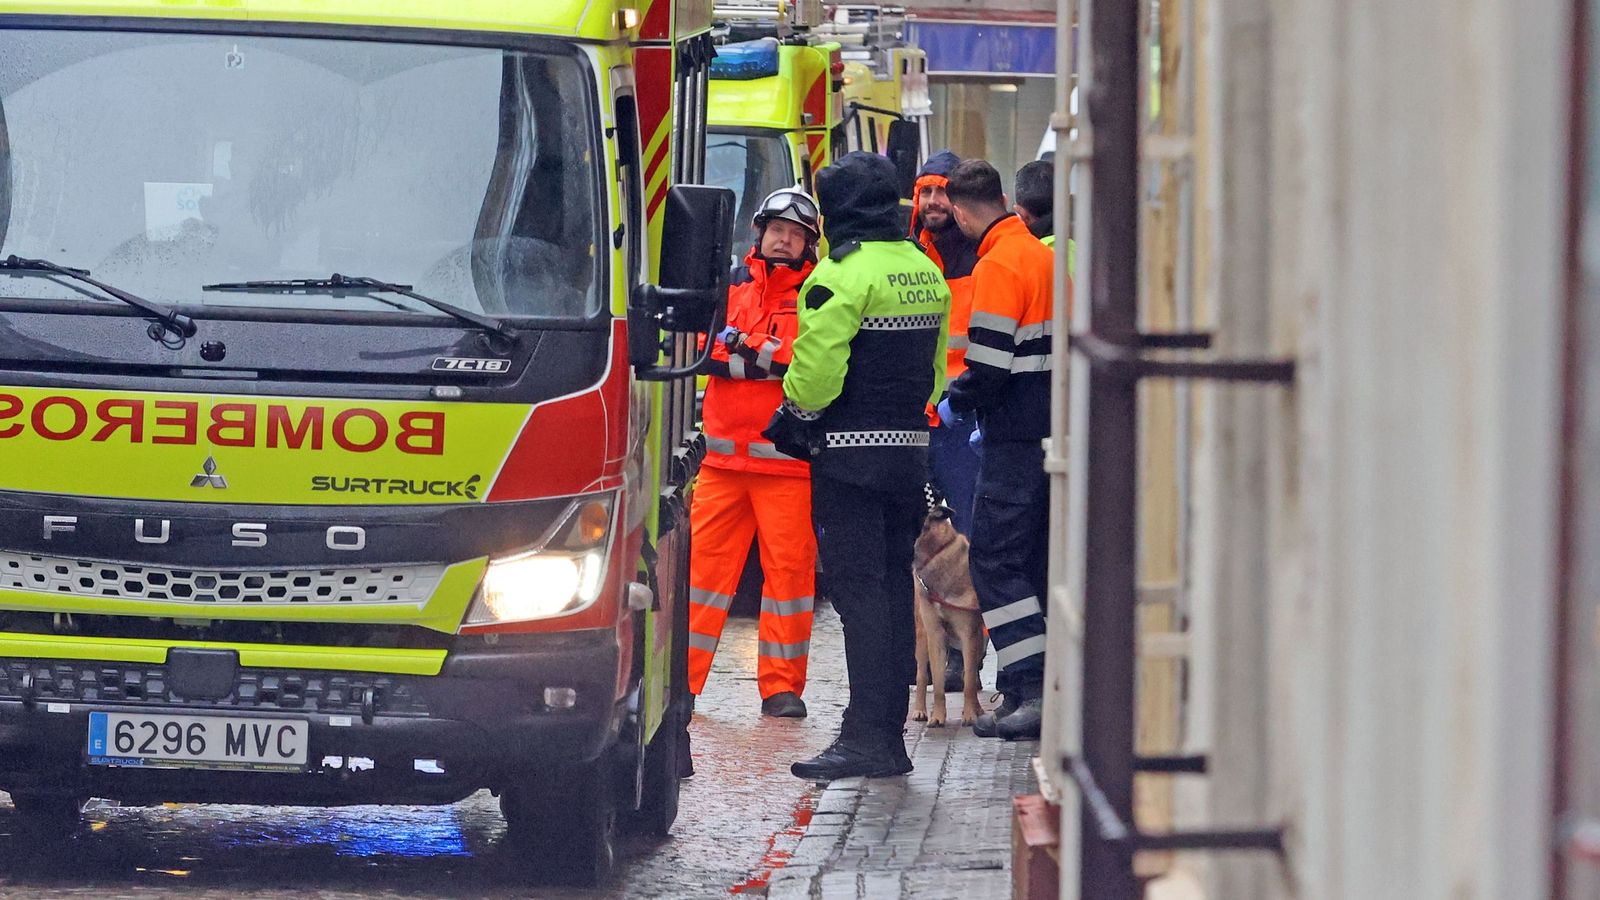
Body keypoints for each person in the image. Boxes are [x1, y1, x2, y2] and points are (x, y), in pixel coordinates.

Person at [764, 152, 950, 779]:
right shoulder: (924, 268)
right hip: (909, 454)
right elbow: (933, 373)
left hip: (847, 462)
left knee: (860, 595)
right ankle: (886, 735)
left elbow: (813, 380)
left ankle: (867, 737)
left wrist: (796, 410)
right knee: (895, 589)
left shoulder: (839, 276)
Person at [686, 188, 820, 718]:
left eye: (796, 235)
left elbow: (803, 363)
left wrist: (745, 347)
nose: (784, 241)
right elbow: (703, 352)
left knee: (789, 581)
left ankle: (781, 688)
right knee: (700, 580)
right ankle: (683, 684)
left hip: (787, 467)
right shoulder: (730, 286)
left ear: (809, 244)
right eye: (777, 231)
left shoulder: (818, 292)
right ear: (759, 232)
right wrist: (759, 354)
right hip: (720, 465)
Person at [940, 160, 1055, 741]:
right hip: (1049, 430)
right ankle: (1028, 687)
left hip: (1012, 436)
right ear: (1004, 198)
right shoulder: (1041, 254)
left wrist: (955, 401)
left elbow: (987, 363)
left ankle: (1029, 686)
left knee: (993, 558)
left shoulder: (998, 265)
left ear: (960, 212)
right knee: (1032, 559)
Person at [913, 150, 986, 693]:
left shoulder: (978, 258)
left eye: (943, 192)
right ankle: (926, 656)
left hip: (963, 418)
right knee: (922, 538)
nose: (934, 202)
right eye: (926, 192)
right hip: (923, 417)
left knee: (968, 538)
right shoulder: (911, 253)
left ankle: (967, 653)